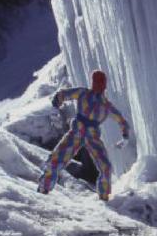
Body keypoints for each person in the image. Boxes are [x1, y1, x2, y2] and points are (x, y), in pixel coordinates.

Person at [38, 70, 130, 201]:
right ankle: (43, 189)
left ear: (104, 85)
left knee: (106, 167)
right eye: (97, 81)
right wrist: (57, 100)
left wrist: (125, 135)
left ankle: (104, 196)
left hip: (91, 137)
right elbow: (65, 94)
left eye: (100, 82)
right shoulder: (85, 94)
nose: (98, 84)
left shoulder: (105, 105)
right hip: (77, 133)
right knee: (55, 160)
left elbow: (121, 120)